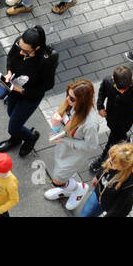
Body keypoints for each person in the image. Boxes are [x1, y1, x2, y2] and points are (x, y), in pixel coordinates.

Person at [0, 26, 58, 157]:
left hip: (30, 96)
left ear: (37, 48)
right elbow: (11, 58)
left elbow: (47, 85)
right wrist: (9, 72)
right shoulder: (20, 44)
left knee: (13, 126)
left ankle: (30, 137)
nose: (21, 52)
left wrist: (23, 90)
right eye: (20, 47)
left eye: (26, 52)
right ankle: (17, 138)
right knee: (11, 113)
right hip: (14, 87)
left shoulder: (45, 61)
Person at [43, 79, 106, 211]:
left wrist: (64, 140)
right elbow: (64, 126)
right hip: (63, 149)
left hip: (74, 155)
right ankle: (67, 189)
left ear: (82, 101)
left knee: (58, 179)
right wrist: (55, 125)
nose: (67, 99)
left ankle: (79, 189)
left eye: (71, 98)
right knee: (62, 175)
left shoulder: (90, 123)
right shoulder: (71, 106)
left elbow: (91, 146)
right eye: (68, 94)